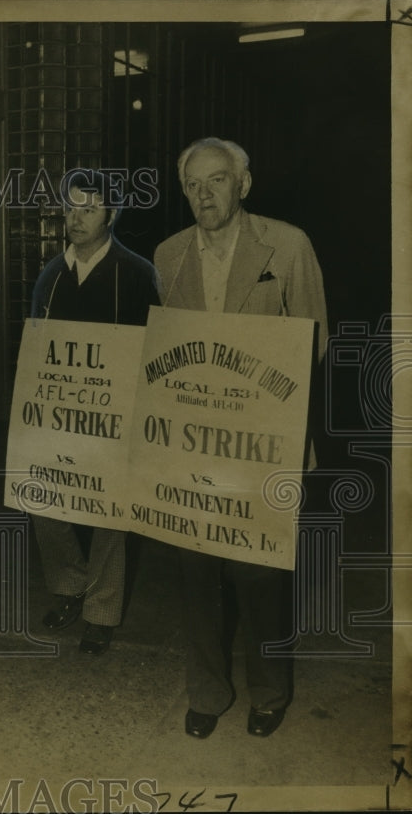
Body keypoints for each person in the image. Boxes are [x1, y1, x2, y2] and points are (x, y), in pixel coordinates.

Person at [153, 136, 328, 739]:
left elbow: (316, 342)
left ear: (243, 184)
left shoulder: (288, 244)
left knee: (260, 579)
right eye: (193, 185)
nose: (205, 194)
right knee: (196, 572)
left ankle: (270, 692)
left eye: (217, 180)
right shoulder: (168, 254)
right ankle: (207, 691)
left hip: (262, 445)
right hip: (193, 449)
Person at [30, 169, 161, 654]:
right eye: (70, 208)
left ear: (112, 214)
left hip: (116, 416)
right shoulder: (51, 274)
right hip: (58, 413)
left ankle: (101, 612)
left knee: (110, 513)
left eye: (89, 208)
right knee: (45, 500)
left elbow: (153, 348)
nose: (76, 218)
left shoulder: (137, 272)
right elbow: (37, 345)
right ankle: (68, 587)